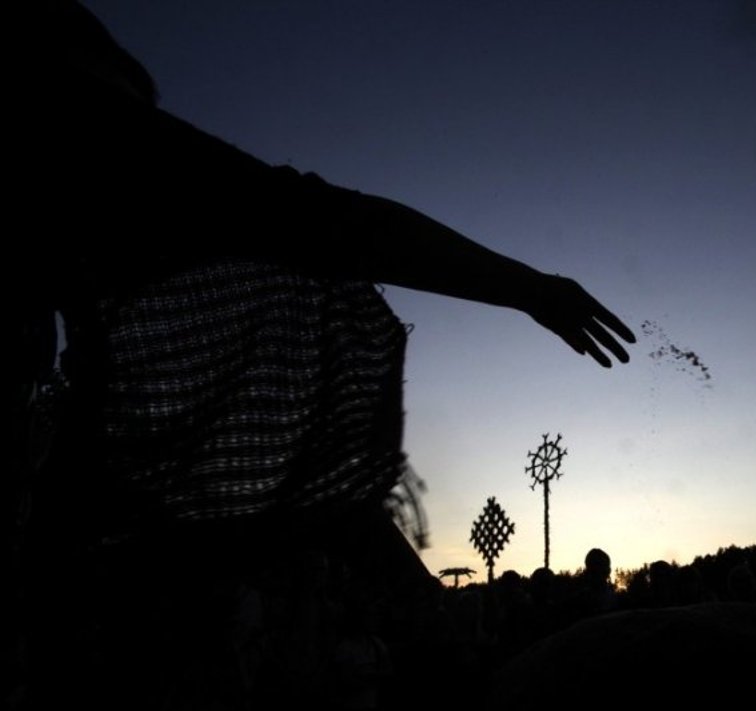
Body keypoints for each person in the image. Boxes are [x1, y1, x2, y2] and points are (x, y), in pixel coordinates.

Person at [16, 2, 636, 707]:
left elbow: (311, 221)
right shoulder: (79, 131)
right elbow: (322, 221)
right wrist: (528, 288)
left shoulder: (92, 387)